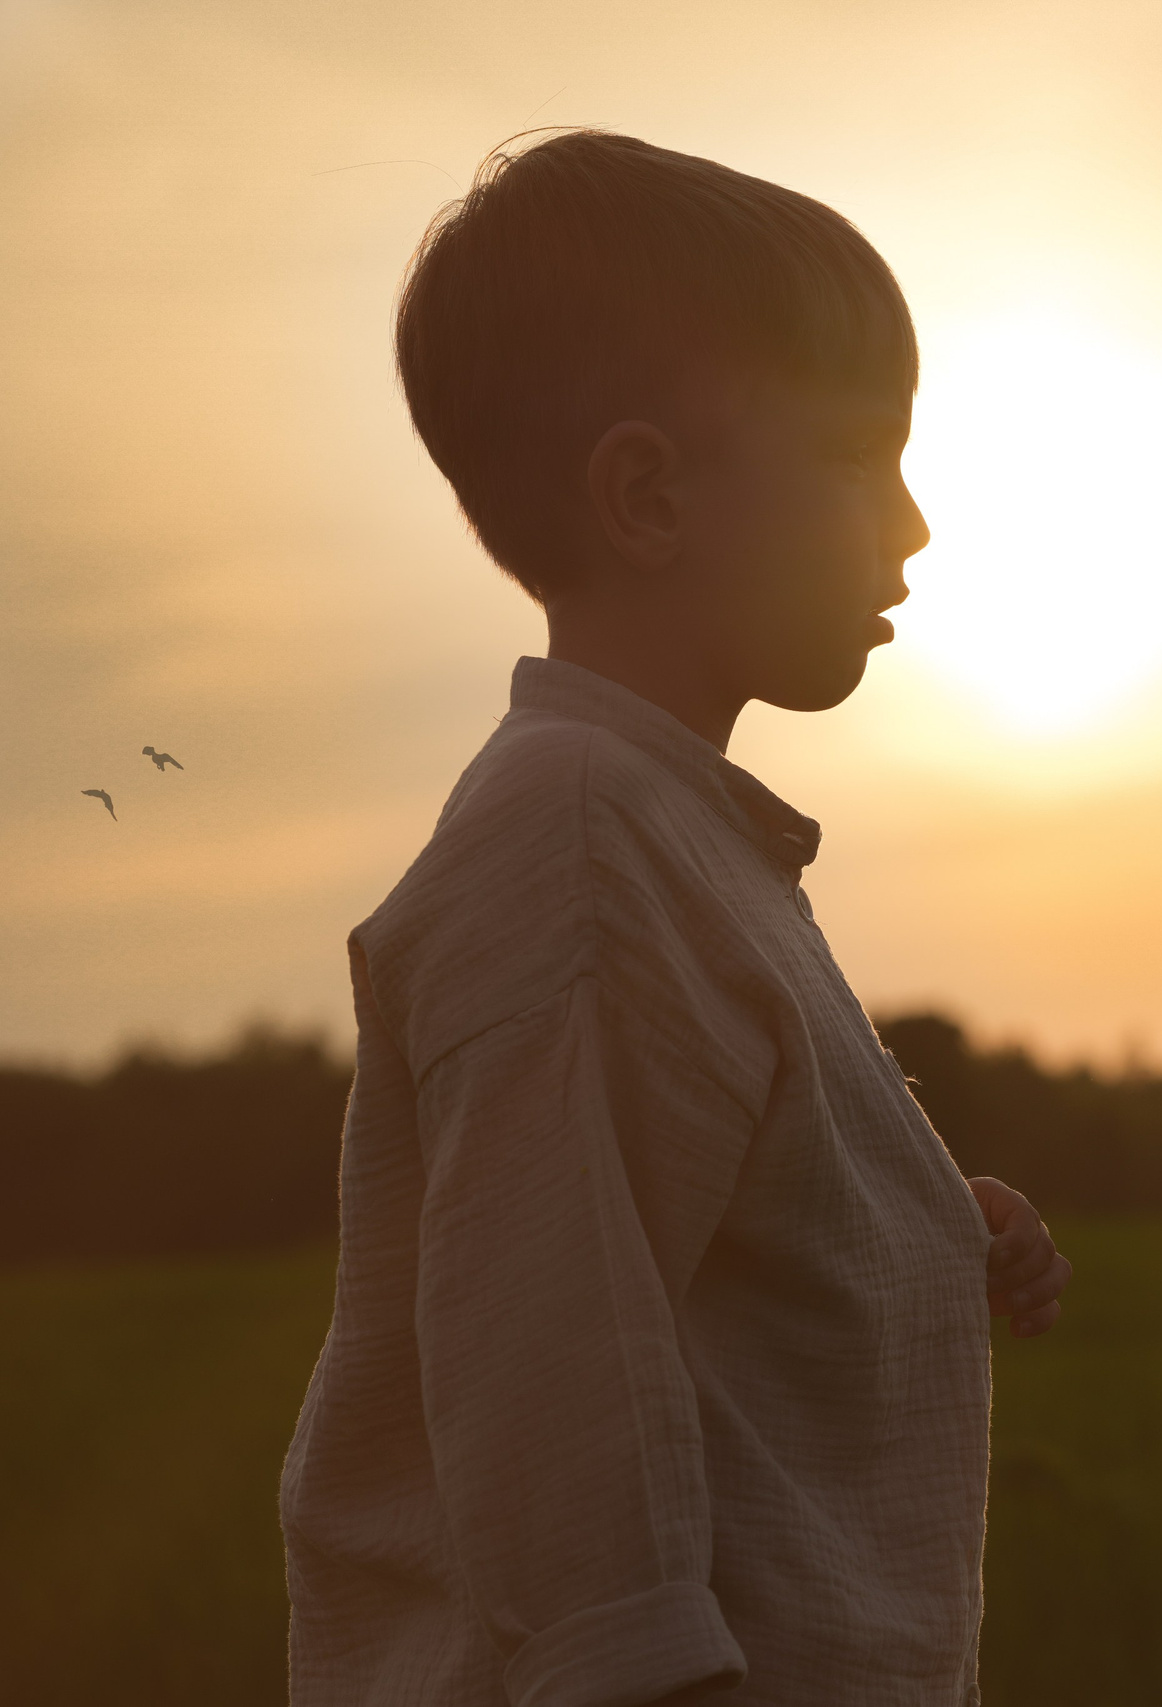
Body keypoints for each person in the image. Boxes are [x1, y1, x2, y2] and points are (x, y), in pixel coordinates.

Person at [279, 129, 1072, 1707]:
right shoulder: (575, 850)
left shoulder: (663, 838)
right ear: (646, 491)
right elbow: (548, 1366)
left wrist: (908, 1214)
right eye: (860, 456)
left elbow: (677, 1225)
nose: (912, 524)